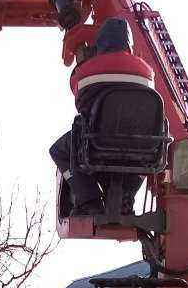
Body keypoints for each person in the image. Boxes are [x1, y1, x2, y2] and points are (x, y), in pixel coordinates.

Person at [50, 17, 159, 218]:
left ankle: (89, 201)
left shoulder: (87, 70)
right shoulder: (147, 71)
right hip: (141, 146)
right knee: (149, 150)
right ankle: (126, 197)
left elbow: (80, 103)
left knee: (60, 150)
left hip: (97, 142)